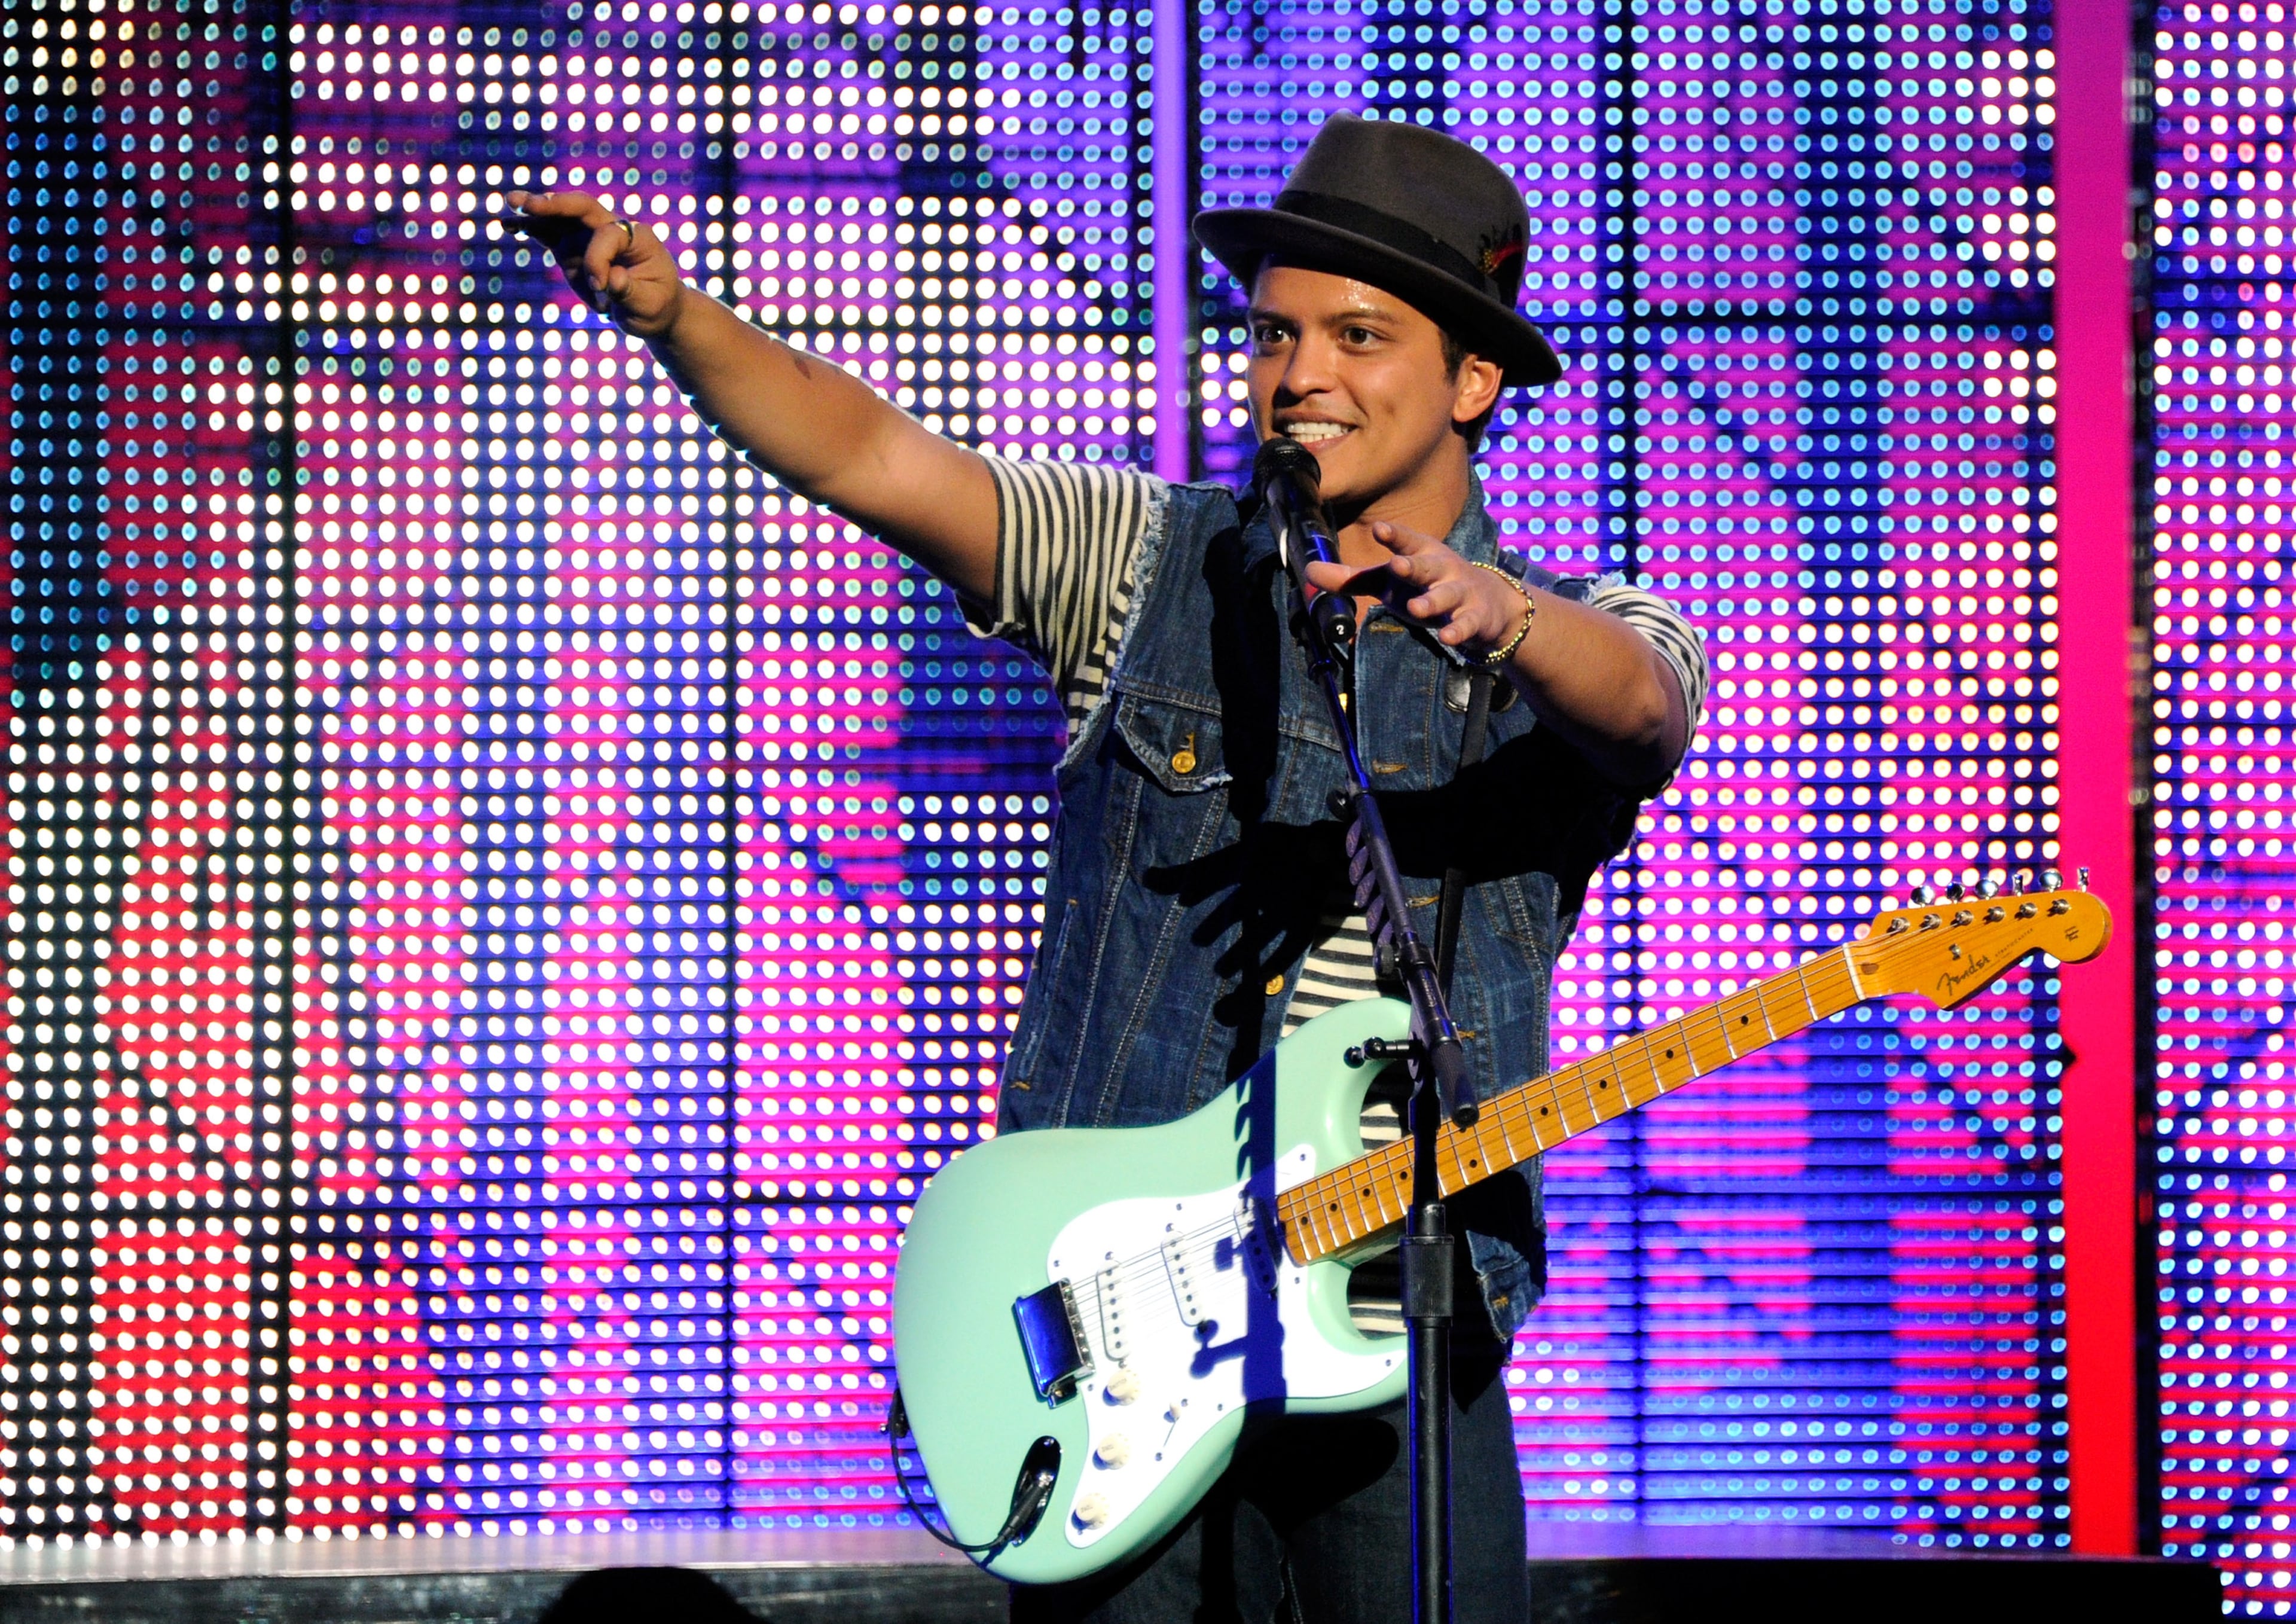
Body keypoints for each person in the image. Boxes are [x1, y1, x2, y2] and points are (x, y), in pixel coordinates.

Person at [513, 114, 1704, 1624]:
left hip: (1396, 1317)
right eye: (1275, 333)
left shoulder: (1580, 635)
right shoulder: (1146, 558)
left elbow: (1646, 707)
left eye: (1357, 333)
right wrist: (677, 316)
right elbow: (881, 453)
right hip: (1122, 1325)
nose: (1300, 374)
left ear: (1473, 378)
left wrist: (1504, 619)